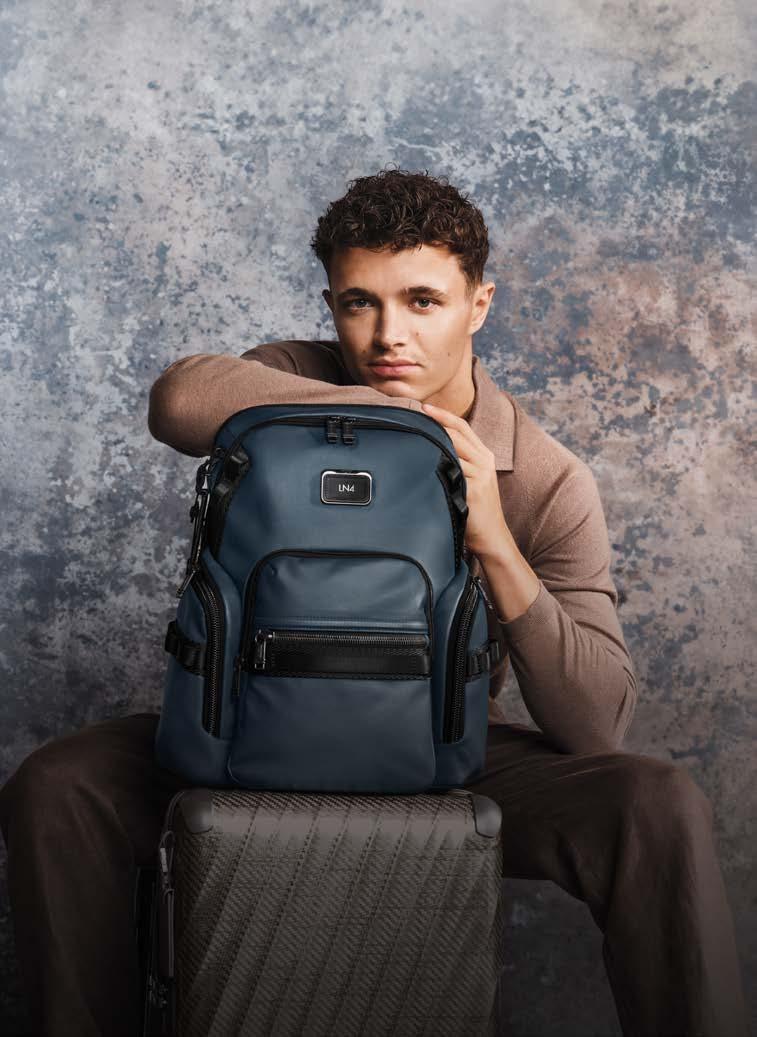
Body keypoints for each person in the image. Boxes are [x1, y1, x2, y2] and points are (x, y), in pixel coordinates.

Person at [0, 167, 748, 1037]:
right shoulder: (293, 380)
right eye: (360, 303)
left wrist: (494, 540)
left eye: (423, 301)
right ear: (331, 305)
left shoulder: (545, 478)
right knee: (58, 787)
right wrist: (404, 427)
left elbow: (597, 723)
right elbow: (181, 399)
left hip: (441, 743)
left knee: (653, 801)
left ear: (478, 304)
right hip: (241, 725)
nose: (389, 335)